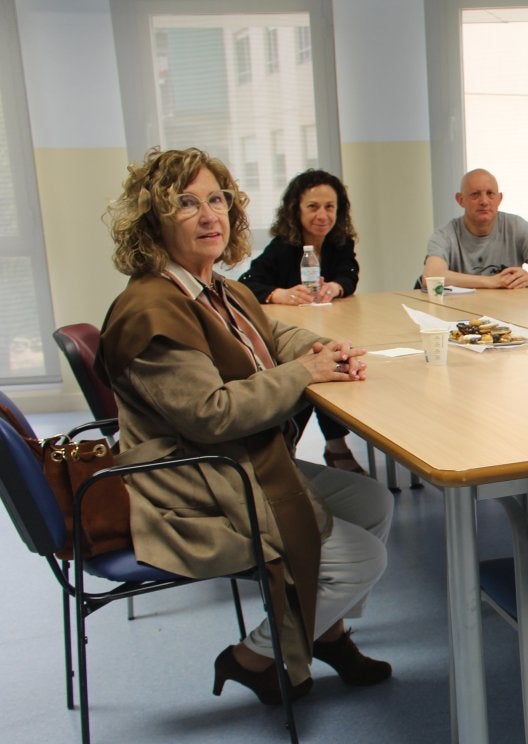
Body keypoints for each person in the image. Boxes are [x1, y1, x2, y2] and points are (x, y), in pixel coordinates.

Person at [99, 147, 395, 706]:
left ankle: (324, 631)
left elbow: (273, 338)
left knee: (373, 502)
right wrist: (305, 373)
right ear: (153, 220)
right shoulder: (151, 309)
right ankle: (256, 657)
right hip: (191, 476)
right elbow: (211, 413)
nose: (210, 215)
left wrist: (326, 349)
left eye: (217, 199)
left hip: (241, 456)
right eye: (186, 203)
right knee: (363, 558)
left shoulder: (220, 289)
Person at [239, 169, 368, 474]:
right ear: (295, 210)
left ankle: (334, 446)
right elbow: (247, 283)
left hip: (327, 323)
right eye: (313, 207)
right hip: (288, 335)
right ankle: (301, 449)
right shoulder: (284, 246)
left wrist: (335, 286)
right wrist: (278, 294)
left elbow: (349, 274)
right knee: (319, 365)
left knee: (338, 356)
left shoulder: (340, 241)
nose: (322, 215)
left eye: (329, 207)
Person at [422, 168, 528, 289]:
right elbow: (431, 276)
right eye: (475, 194)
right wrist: (490, 281)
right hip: (460, 313)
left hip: (506, 311)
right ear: (460, 200)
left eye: (490, 194)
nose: (484, 201)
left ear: (499, 199)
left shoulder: (516, 227)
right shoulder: (445, 234)